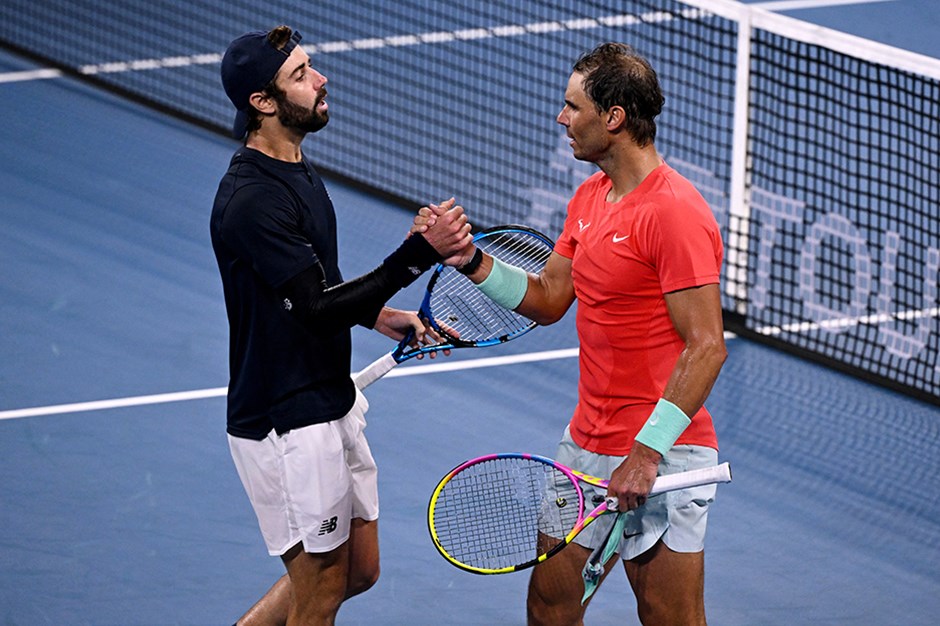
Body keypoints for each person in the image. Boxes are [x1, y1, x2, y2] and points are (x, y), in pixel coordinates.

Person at [416, 43, 727, 625]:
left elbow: (707, 346)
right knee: (550, 607)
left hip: (665, 453)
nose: (562, 118)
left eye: (572, 105)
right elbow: (550, 299)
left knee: (668, 615)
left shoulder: (675, 213)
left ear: (613, 118)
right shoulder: (588, 197)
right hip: (585, 445)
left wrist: (646, 453)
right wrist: (469, 260)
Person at [211, 25, 472, 625]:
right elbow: (313, 307)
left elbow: (312, 286)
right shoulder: (253, 199)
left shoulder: (295, 166)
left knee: (357, 570)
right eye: (301, 75)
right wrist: (417, 256)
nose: (321, 78)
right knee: (322, 588)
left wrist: (379, 313)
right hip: (284, 418)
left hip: (327, 396)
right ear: (263, 102)